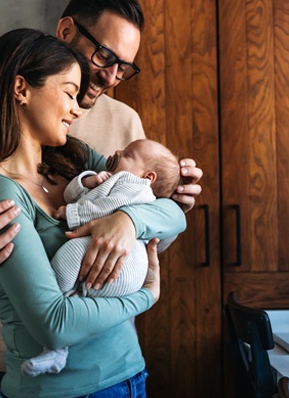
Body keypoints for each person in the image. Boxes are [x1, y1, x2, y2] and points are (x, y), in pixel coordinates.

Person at [0, 0, 204, 398]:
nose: (112, 77)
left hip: (120, 364)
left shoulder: (111, 131)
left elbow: (151, 229)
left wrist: (137, 218)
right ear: (67, 31)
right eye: (106, 58)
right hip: (19, 366)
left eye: (124, 68)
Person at [21, 139, 181, 378]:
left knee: (67, 257)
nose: (117, 152)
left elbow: (107, 208)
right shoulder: (112, 178)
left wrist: (73, 213)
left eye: (128, 154)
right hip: (124, 273)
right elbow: (74, 193)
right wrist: (88, 180)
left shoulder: (135, 185)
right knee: (78, 293)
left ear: (148, 177)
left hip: (123, 264)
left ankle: (55, 340)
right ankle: (58, 350)